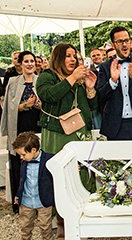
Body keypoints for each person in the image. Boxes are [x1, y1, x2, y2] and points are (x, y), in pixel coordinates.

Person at [36, 42, 97, 238]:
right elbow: (49, 95)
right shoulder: (48, 75)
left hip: (80, 135)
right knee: (60, 182)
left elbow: (92, 106)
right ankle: (63, 230)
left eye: (75, 56)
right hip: (57, 136)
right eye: (68, 56)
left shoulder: (78, 80)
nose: (73, 60)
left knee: (81, 178)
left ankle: (83, 225)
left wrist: (90, 89)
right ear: (58, 58)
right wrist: (72, 79)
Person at [1, 50, 42, 214]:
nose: (30, 64)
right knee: (19, 163)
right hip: (19, 124)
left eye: (32, 61)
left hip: (37, 124)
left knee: (37, 161)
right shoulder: (13, 81)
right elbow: (9, 108)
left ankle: (39, 201)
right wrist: (25, 105)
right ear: (20, 63)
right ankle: (19, 202)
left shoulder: (41, 81)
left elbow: (45, 106)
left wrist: (37, 105)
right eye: (26, 61)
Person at [98, 26, 132, 140]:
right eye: (120, 42)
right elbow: (100, 97)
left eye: (127, 40)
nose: (124, 44)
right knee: (116, 158)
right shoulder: (105, 66)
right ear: (113, 45)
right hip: (115, 126)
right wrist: (112, 82)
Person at [13, 132, 54, 240]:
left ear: (33, 150)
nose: (21, 157)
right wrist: (18, 195)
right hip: (26, 201)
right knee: (25, 227)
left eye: (23, 154)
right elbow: (22, 180)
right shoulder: (25, 161)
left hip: (43, 201)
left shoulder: (50, 159)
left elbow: (62, 168)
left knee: (46, 228)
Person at [89, 48, 103, 129]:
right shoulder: (89, 70)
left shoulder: (109, 67)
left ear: (102, 56)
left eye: (98, 55)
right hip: (96, 103)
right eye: (93, 56)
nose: (96, 57)